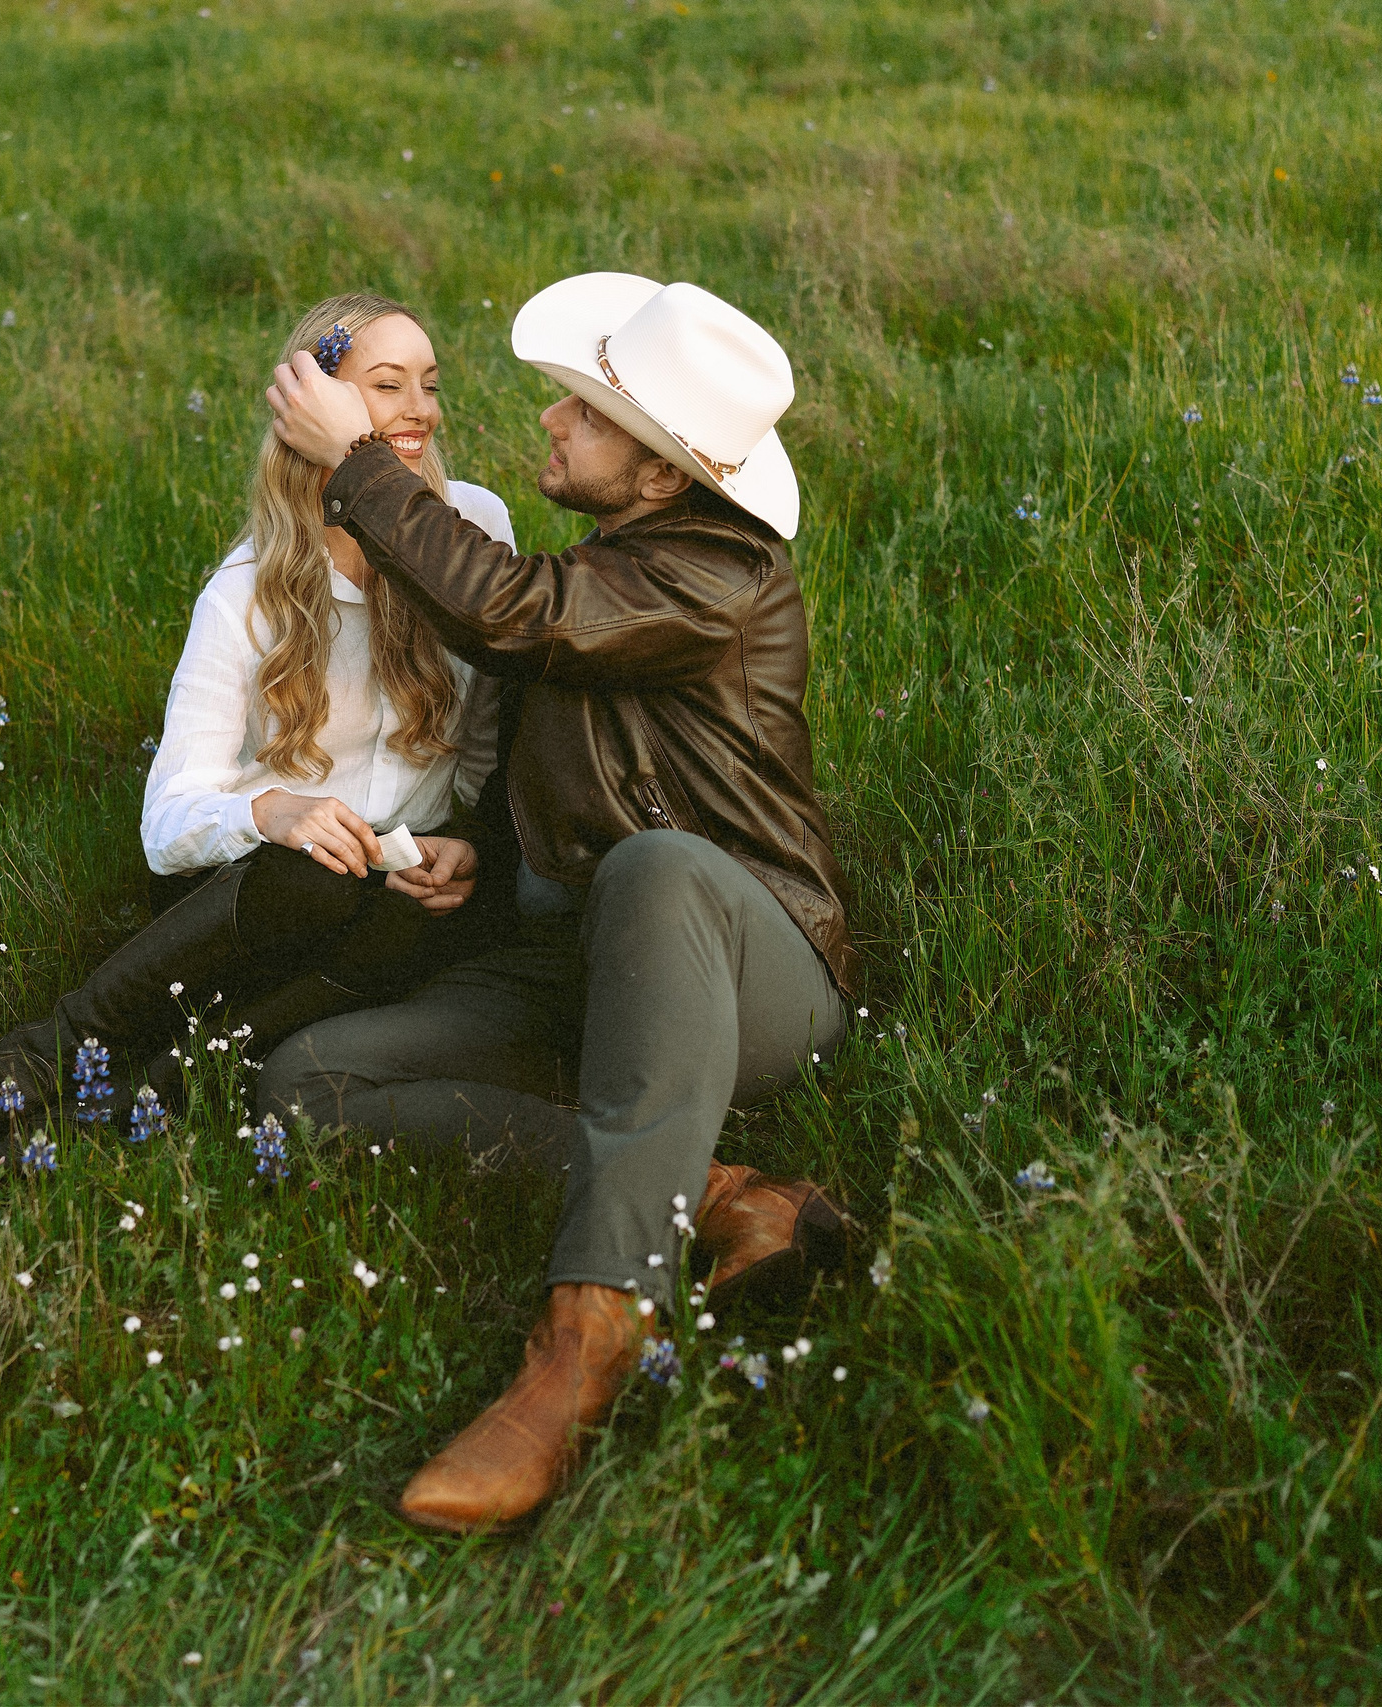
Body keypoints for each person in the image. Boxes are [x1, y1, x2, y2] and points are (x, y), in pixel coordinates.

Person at [260, 274, 858, 1534]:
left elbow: (513, 620)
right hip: (587, 959)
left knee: (658, 862)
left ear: (654, 476)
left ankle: (581, 1349)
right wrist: (475, 847)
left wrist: (362, 465)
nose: (546, 422)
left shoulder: (721, 575)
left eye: (582, 413)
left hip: (750, 974)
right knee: (307, 1083)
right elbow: (557, 735)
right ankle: (726, 1194)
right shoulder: (622, 556)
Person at [0, 293, 517, 1150]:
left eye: (429, 382)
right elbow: (167, 822)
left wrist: (471, 840)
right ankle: (39, 1059)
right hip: (255, 892)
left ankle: (129, 1108)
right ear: (313, 408)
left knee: (421, 914)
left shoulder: (476, 527)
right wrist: (269, 811)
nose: (422, 409)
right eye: (387, 385)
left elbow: (484, 744)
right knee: (315, 874)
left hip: (396, 896)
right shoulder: (247, 592)